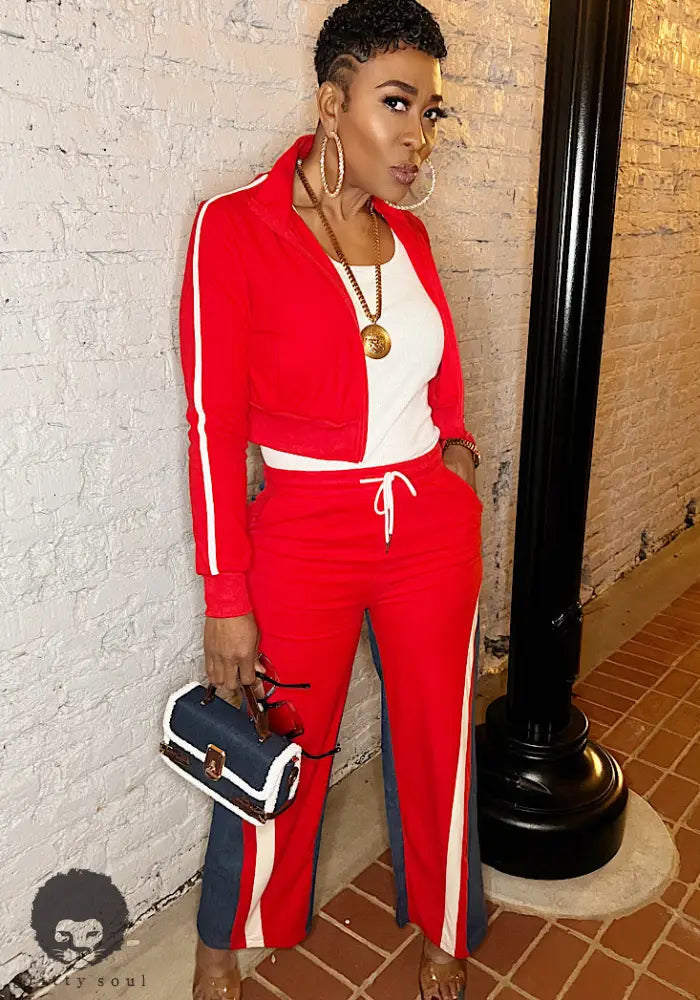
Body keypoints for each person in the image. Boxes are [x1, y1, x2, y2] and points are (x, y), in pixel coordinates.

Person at [178, 2, 487, 997]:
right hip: (303, 536)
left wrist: (458, 453)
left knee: (438, 740)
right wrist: (226, 596)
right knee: (278, 748)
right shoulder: (236, 228)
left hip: (427, 534)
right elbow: (212, 425)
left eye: (430, 112)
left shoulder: (413, 238)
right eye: (395, 103)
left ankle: (446, 923)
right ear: (329, 101)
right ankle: (223, 942)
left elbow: (439, 372)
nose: (417, 134)